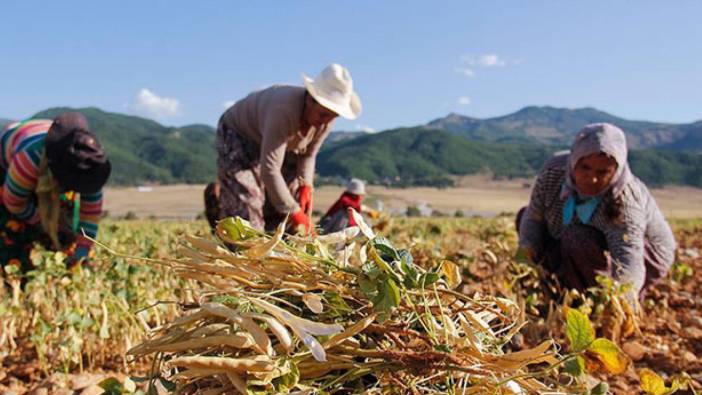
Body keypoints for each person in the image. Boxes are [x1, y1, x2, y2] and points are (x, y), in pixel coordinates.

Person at [517, 123, 675, 300]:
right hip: (584, 240)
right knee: (524, 217)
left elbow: (628, 259)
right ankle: (563, 290)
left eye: (603, 172)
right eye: (585, 167)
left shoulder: (624, 201)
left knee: (577, 238)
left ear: (616, 170)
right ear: (574, 160)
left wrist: (620, 303)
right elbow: (533, 217)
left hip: (646, 253)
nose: (592, 178)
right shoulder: (554, 172)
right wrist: (525, 263)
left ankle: (592, 301)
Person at [205, 63, 361, 234]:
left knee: (288, 195)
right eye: (323, 115)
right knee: (248, 201)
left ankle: (276, 242)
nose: (325, 122)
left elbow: (308, 155)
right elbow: (270, 170)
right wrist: (293, 210)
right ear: (310, 99)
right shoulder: (283, 110)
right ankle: (230, 228)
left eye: (332, 117)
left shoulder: (325, 121)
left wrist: (306, 185)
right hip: (240, 135)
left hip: (278, 144)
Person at [0, 112, 111, 271]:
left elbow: (89, 215)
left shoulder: (90, 164)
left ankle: (60, 259)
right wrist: (43, 223)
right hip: (8, 160)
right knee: (13, 230)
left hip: (49, 156)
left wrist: (81, 254)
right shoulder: (28, 159)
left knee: (64, 228)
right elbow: (14, 202)